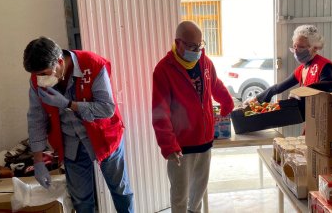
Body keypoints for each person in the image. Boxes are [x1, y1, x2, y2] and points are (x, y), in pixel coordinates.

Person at [23, 37, 134, 213]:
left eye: (45, 73)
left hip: (104, 137)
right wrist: (38, 160)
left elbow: (107, 108)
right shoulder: (37, 78)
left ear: (59, 62)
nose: (41, 79)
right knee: (81, 201)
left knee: (121, 191)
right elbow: (36, 118)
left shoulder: (93, 64)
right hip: (71, 144)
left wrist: (69, 104)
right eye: (37, 75)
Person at [152, 21, 234, 213]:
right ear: (178, 43)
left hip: (204, 142)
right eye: (192, 46)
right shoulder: (164, 70)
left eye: (200, 45)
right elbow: (159, 112)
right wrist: (168, 145)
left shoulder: (205, 62)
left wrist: (227, 103)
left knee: (198, 194)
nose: (197, 50)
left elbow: (215, 84)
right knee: (180, 197)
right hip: (181, 147)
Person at [255, 24, 332, 103]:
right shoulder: (301, 69)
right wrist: (256, 99)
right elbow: (278, 87)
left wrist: (299, 93)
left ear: (315, 48)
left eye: (301, 47)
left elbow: (325, 91)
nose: (296, 51)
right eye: (295, 46)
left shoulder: (324, 66)